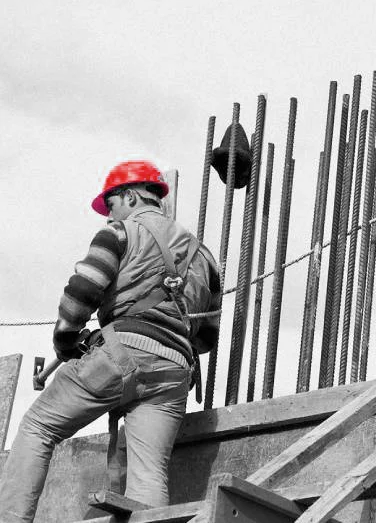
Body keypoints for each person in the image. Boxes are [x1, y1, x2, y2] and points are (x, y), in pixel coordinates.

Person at [0, 160, 221, 522]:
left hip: (121, 354)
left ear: (131, 196)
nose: (109, 216)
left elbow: (82, 291)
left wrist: (67, 341)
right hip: (175, 371)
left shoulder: (120, 233)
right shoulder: (205, 258)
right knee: (148, 475)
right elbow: (207, 336)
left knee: (37, 427)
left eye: (112, 205)